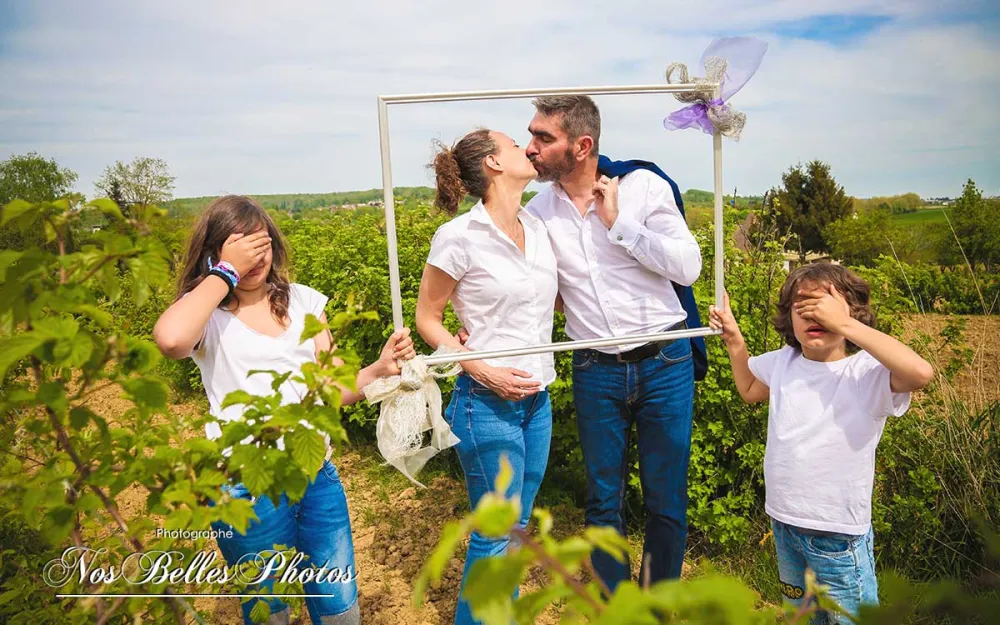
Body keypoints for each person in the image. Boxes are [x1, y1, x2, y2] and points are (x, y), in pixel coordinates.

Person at [153, 194, 416, 625]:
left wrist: (378, 370)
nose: (255, 258)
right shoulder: (210, 316)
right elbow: (170, 339)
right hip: (243, 485)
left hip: (316, 476)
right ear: (215, 254)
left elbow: (329, 388)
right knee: (269, 609)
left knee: (338, 603)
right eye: (241, 248)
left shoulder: (303, 302)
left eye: (262, 245)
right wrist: (226, 271)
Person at [524, 95, 702, 590]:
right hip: (594, 368)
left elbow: (688, 267)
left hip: (665, 362)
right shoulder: (537, 212)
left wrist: (619, 225)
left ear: (582, 146)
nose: (530, 147)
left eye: (543, 138)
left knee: (666, 498)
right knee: (603, 500)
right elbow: (532, 290)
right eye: (531, 135)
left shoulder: (644, 187)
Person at [709, 263, 934, 623]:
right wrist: (733, 337)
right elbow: (749, 389)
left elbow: (920, 373)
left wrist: (844, 324)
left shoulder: (865, 373)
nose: (814, 315)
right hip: (785, 524)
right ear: (789, 318)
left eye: (825, 306)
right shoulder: (784, 363)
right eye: (803, 306)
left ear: (852, 314)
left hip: (838, 535)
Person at [415, 129, 558, 625]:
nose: (528, 148)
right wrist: (480, 366)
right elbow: (428, 318)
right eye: (516, 144)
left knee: (518, 527)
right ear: (494, 163)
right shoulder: (458, 236)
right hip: (485, 403)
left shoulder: (536, 227)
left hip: (538, 401)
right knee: (495, 532)